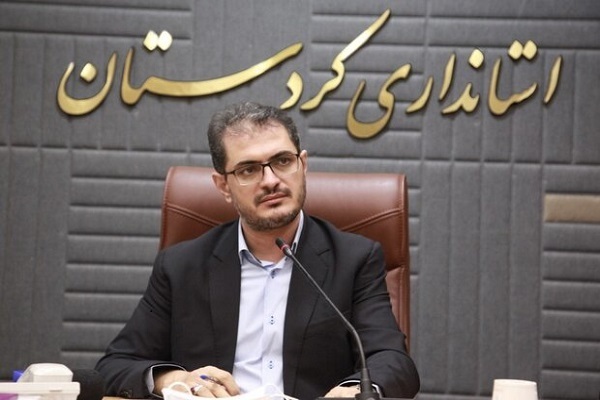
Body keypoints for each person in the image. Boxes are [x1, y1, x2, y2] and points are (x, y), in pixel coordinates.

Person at [95, 102, 420, 400]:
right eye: (248, 169)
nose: (270, 180)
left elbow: (393, 362)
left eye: (282, 161)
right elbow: (115, 365)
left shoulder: (354, 260)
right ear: (223, 186)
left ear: (303, 165)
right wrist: (174, 379)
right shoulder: (181, 266)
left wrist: (354, 392)